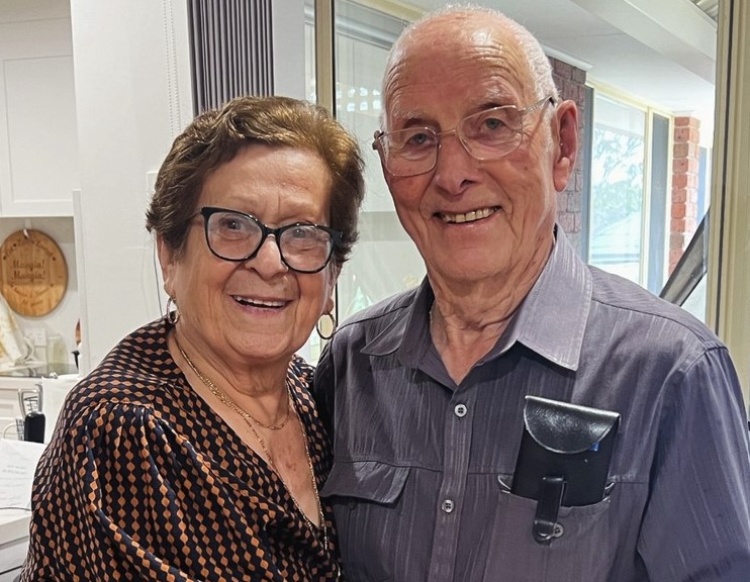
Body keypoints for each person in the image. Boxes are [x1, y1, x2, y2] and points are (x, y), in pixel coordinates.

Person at [314, 5, 750, 582]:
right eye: (417, 138)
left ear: (562, 144)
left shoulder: (672, 373)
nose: (452, 174)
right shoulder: (351, 364)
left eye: (492, 125)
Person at [21, 95, 364, 581]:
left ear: (332, 275)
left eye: (303, 233)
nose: (270, 262)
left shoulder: (318, 398)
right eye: (233, 225)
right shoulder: (122, 428)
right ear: (170, 255)